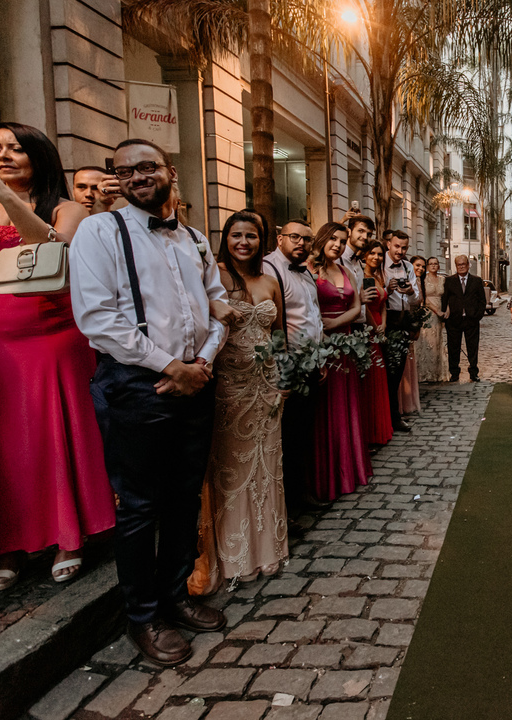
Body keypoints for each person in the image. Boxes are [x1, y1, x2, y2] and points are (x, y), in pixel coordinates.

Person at [0, 122, 114, 592]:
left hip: (51, 336)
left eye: (16, 148)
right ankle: (6, 543)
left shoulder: (68, 209)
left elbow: (56, 249)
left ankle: (69, 536)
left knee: (56, 439)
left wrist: (5, 196)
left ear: (39, 155)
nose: (3, 155)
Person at [69, 137, 228, 666]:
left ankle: (175, 595)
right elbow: (97, 318)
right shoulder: (99, 231)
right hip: (136, 386)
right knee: (139, 506)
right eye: (124, 172)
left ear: (170, 171)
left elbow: (218, 307)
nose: (136, 177)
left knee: (184, 496)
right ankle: (143, 617)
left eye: (146, 166)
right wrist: (169, 366)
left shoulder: (195, 239)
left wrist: (201, 362)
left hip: (195, 380)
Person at [189, 211, 287, 594]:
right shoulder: (213, 275)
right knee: (230, 465)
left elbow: (278, 334)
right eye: (236, 235)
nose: (243, 242)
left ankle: (267, 549)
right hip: (228, 385)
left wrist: (284, 378)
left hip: (267, 387)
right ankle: (234, 555)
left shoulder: (270, 280)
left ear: (261, 241)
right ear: (225, 238)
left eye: (251, 235)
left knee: (268, 465)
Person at [262, 220, 323, 514]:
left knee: (302, 435)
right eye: (295, 237)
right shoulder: (269, 269)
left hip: (310, 363)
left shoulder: (306, 271)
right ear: (280, 238)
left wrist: (319, 357)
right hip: (287, 366)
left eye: (307, 239)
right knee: (285, 439)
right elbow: (272, 326)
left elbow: (314, 316)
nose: (301, 243)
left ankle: (300, 496)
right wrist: (281, 372)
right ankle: (286, 509)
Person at [308, 222, 371, 501]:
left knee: (346, 405)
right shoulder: (309, 269)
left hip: (344, 344)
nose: (338, 244)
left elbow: (357, 306)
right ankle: (326, 476)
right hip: (320, 345)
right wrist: (324, 327)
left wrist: (335, 323)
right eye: (333, 239)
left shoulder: (345, 271)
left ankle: (348, 470)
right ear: (322, 239)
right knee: (324, 409)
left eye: (342, 241)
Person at [383, 230, 419, 431]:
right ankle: (389, 417)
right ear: (388, 244)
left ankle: (393, 416)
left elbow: (416, 299)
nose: (400, 251)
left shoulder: (408, 266)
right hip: (385, 320)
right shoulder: (379, 262)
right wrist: (387, 289)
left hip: (403, 320)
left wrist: (411, 291)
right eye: (397, 246)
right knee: (386, 373)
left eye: (404, 248)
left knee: (397, 372)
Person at [360, 240, 394, 446]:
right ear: (365, 255)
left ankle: (380, 428)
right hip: (369, 330)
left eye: (380, 254)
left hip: (380, 328)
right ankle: (371, 432)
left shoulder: (378, 277)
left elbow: (383, 304)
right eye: (372, 253)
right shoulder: (363, 277)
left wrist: (384, 324)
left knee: (380, 377)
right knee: (371, 379)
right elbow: (365, 307)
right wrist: (375, 327)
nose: (376, 257)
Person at [442, 255, 485, 383]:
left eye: (463, 264)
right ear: (456, 266)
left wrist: (477, 316)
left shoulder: (476, 281)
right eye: (458, 264)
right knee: (453, 348)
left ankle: (473, 372)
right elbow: (444, 300)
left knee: (473, 347)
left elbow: (482, 301)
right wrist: (445, 318)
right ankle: (454, 373)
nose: (461, 267)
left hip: (471, 320)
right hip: (454, 320)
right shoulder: (449, 281)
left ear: (468, 265)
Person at [399, 257, 425, 415]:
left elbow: (419, 302)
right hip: (404, 320)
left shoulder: (418, 281)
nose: (420, 268)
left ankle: (409, 396)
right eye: (417, 265)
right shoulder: (408, 279)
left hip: (413, 320)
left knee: (410, 359)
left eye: (423, 266)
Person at [342, 215, 378, 325]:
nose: (365, 237)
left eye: (369, 234)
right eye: (360, 231)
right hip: (344, 324)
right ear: (349, 232)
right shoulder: (338, 260)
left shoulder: (358, 263)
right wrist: (358, 300)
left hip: (361, 324)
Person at [417, 257, 448, 382]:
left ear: (438, 266)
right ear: (427, 266)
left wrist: (446, 310)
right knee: (427, 342)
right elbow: (423, 299)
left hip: (440, 313)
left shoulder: (443, 280)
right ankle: (425, 373)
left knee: (437, 341)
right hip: (428, 313)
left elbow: (447, 296)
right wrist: (437, 311)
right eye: (431, 264)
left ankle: (436, 373)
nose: (433, 266)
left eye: (435, 264)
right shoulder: (423, 279)